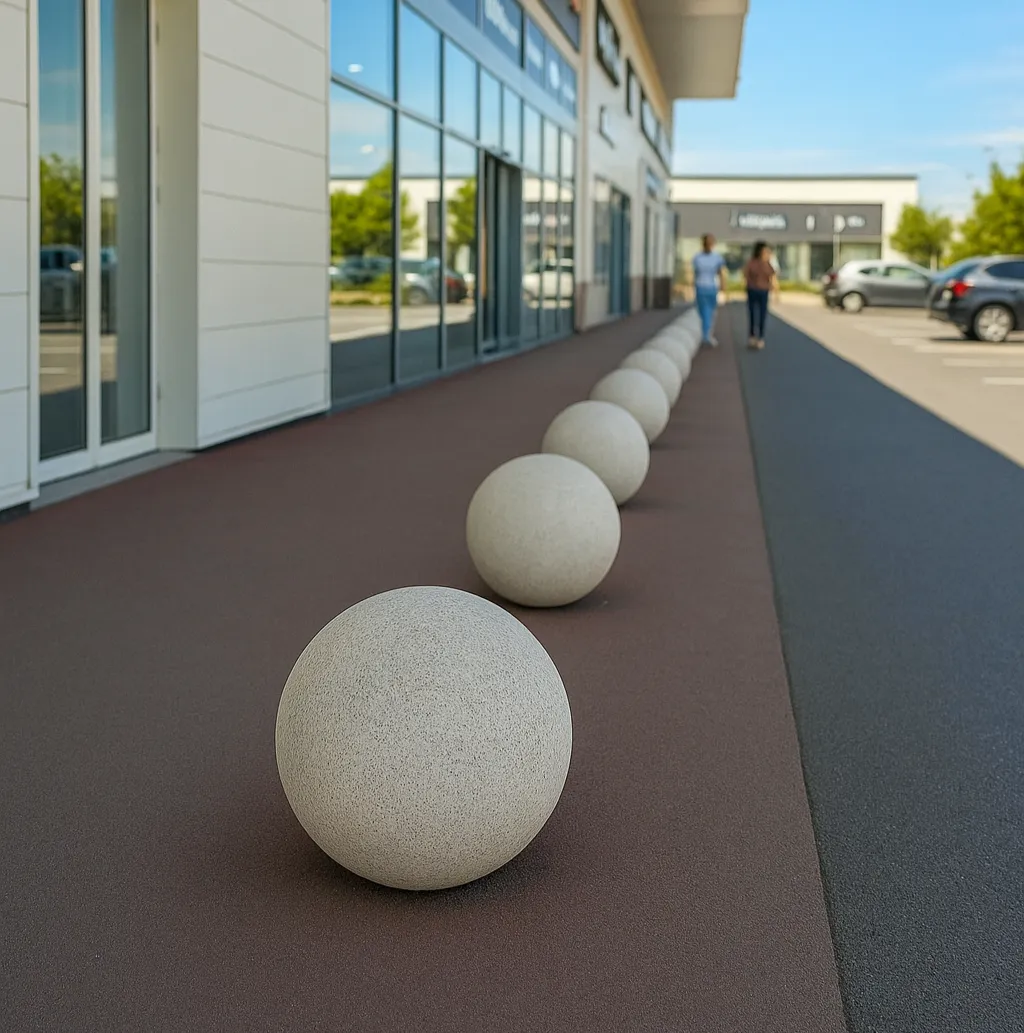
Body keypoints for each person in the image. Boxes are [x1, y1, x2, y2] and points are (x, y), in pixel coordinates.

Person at [691, 233, 728, 347]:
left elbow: (695, 273)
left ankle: (706, 333)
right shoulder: (715, 257)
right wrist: (723, 286)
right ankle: (706, 334)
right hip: (709, 287)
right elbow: (721, 272)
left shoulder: (698, 257)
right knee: (708, 312)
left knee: (705, 311)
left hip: (704, 287)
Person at [743, 241, 777, 350]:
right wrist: (747, 285)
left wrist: (774, 289)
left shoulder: (767, 263)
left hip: (764, 291)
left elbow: (772, 276)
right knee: (752, 314)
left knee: (762, 314)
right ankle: (752, 336)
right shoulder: (752, 262)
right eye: (765, 250)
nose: (767, 253)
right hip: (752, 290)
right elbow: (746, 274)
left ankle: (760, 337)